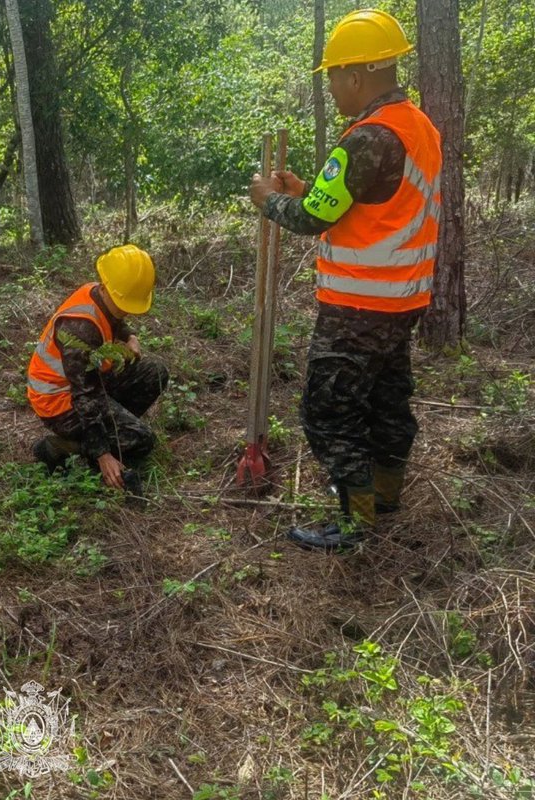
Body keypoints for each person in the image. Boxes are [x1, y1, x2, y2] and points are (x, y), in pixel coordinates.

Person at [249, 9, 441, 552]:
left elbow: (313, 218)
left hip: (360, 303)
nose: (332, 88)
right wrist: (308, 189)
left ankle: (356, 522)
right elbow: (372, 204)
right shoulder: (416, 126)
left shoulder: (368, 137)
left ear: (356, 76)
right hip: (403, 298)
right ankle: (385, 495)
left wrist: (271, 201)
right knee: (385, 398)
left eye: (333, 76)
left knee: (330, 409)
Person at [27, 245, 169, 494]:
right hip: (60, 403)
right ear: (106, 288)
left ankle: (112, 432)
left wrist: (130, 336)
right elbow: (85, 396)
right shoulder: (78, 328)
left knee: (154, 373)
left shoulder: (99, 293)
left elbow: (114, 320)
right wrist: (102, 454)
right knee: (142, 439)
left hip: (91, 384)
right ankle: (65, 446)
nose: (126, 309)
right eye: (123, 303)